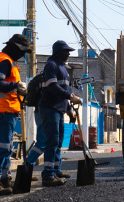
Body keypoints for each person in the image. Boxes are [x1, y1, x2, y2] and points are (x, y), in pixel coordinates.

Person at [38, 40, 81, 187]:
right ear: (57, 52)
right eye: (66, 51)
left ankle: (56, 169)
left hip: (59, 109)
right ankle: (48, 175)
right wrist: (70, 97)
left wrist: (69, 110)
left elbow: (65, 91)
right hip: (49, 108)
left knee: (58, 141)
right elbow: (53, 87)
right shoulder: (51, 65)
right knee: (52, 141)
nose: (68, 54)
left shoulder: (63, 68)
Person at [0, 34, 30, 194]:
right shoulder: (4, 61)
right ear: (14, 48)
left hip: (8, 110)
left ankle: (4, 178)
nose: (23, 55)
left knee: (6, 147)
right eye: (22, 51)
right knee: (3, 147)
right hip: (3, 111)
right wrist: (16, 85)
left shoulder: (8, 61)